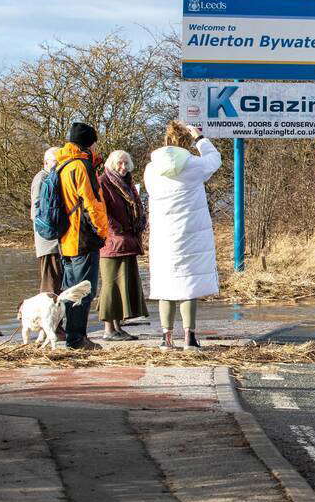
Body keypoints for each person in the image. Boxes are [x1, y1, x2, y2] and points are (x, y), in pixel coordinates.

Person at [144, 121, 221, 351]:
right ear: (185, 143)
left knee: (164, 285)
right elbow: (215, 159)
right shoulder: (193, 165)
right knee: (189, 284)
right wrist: (199, 139)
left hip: (164, 234)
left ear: (166, 141)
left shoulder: (151, 169)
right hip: (190, 233)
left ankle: (166, 339)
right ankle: (189, 338)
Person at [56, 122, 109, 350]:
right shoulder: (80, 166)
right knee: (84, 289)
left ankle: (71, 336)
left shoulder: (61, 165)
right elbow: (91, 202)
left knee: (69, 290)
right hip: (83, 237)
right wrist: (102, 231)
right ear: (88, 142)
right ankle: (77, 339)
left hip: (65, 237)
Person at [98, 150, 148, 341]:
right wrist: (117, 233)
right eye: (120, 163)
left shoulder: (127, 183)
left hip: (127, 241)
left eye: (126, 163)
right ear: (111, 164)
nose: (123, 167)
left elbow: (137, 209)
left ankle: (117, 328)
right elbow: (103, 213)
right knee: (111, 286)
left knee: (123, 285)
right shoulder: (103, 182)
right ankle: (108, 330)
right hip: (112, 243)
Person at [30, 146, 65, 341]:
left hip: (56, 242)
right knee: (49, 287)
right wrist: (52, 230)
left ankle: (54, 329)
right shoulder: (42, 179)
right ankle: (49, 330)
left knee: (57, 286)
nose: (58, 166)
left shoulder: (52, 178)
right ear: (45, 163)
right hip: (48, 242)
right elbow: (37, 212)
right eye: (55, 162)